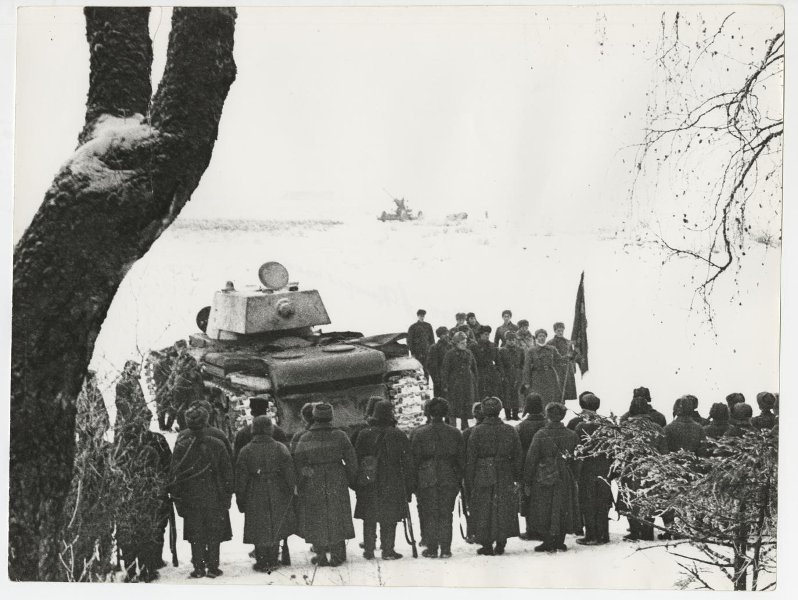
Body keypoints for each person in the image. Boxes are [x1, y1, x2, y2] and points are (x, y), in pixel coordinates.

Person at [169, 404, 233, 579]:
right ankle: (213, 566)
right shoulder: (218, 440)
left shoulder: (182, 441)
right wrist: (228, 494)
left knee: (195, 531)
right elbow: (228, 470)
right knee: (214, 530)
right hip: (214, 494)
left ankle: (198, 566)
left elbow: (175, 473)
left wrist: (178, 499)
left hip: (191, 496)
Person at [293, 403, 358, 567]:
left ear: (314, 417)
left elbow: (298, 463)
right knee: (337, 513)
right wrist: (352, 479)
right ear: (331, 418)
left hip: (313, 479)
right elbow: (351, 461)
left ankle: (320, 555)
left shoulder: (305, 437)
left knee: (317, 515)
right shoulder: (340, 436)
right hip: (337, 477)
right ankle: (338, 554)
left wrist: (302, 480)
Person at [115, 403, 172, 582]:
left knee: (128, 533)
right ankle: (151, 565)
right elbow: (168, 466)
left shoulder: (120, 445)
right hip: (152, 496)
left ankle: (131, 570)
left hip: (127, 498)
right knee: (153, 530)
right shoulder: (157, 441)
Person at [235, 416, 297, 572]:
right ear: (271, 429)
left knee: (258, 524)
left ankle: (262, 560)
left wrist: (240, 500)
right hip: (278, 489)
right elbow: (290, 474)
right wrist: (292, 492)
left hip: (254, 490)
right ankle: (273, 558)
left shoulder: (245, 450)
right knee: (276, 523)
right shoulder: (281, 448)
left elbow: (241, 479)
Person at [354, 400, 414, 560]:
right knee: (390, 516)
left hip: (369, 479)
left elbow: (357, 458)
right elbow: (408, 461)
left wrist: (357, 483)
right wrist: (409, 486)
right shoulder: (398, 434)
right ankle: (388, 550)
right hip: (392, 480)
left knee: (369, 515)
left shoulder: (364, 434)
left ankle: (368, 549)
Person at [465, 397, 523, 556]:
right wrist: (517, 477)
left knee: (484, 506)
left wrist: (469, 480)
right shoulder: (510, 430)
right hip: (505, 472)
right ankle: (501, 541)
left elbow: (471, 458)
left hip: (482, 472)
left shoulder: (477, 431)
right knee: (503, 505)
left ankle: (486, 543)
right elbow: (518, 455)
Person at [410, 398, 465, 559]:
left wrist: (414, 482)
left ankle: (432, 548)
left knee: (430, 513)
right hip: (449, 477)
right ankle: (446, 548)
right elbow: (461, 460)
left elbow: (414, 460)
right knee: (446, 513)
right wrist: (459, 479)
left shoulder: (420, 433)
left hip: (427, 478)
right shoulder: (455, 433)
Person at [620, 397, 667, 542]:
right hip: (652, 468)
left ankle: (634, 531)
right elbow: (664, 451)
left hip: (631, 468)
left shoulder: (626, 428)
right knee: (649, 499)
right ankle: (647, 531)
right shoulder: (657, 428)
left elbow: (620, 449)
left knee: (630, 499)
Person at [660, 396, 707, 539]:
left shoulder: (667, 429)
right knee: (693, 500)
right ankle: (691, 528)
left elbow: (663, 452)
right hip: (694, 470)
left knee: (671, 500)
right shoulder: (699, 429)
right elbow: (703, 453)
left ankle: (672, 529)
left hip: (673, 469)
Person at [574, 394, 612, 546]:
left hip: (587, 468)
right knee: (603, 502)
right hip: (604, 467)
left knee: (588, 502)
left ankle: (591, 535)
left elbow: (575, 448)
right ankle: (603, 534)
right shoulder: (607, 423)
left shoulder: (578, 424)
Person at [233, 396, 288, 463]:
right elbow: (287, 458)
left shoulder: (242, 433)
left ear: (251, 412)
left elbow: (237, 460)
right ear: (266, 411)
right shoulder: (278, 431)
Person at [441, 332, 478, 430]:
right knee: (454, 405)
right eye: (462, 343)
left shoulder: (469, 353)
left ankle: (464, 425)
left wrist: (475, 381)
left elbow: (474, 368)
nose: (465, 345)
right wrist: (445, 384)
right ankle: (452, 426)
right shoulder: (450, 354)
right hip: (454, 384)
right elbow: (445, 370)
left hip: (467, 382)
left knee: (466, 404)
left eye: (465, 342)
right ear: (456, 343)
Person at [167, 340, 206, 430]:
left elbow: (186, 371)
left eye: (180, 349)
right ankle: (183, 428)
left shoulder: (191, 359)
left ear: (185, 348)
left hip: (189, 389)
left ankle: (192, 428)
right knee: (179, 411)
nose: (179, 351)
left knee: (191, 409)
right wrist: (170, 385)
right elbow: (173, 373)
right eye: (178, 350)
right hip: (178, 390)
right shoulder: (178, 359)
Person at [523, 329, 566, 406]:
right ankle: (540, 415)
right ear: (536, 338)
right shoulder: (531, 350)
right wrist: (527, 382)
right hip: (537, 377)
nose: (542, 338)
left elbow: (560, 360)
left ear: (546, 337)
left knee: (551, 396)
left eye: (543, 336)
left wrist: (569, 357)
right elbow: (527, 367)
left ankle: (549, 414)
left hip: (550, 376)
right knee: (539, 396)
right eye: (540, 336)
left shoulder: (552, 349)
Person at [115, 360, 149, 438]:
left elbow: (141, 397)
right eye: (135, 368)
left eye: (137, 368)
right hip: (128, 420)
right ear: (130, 370)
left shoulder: (135, 381)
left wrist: (146, 411)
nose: (138, 370)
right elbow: (121, 403)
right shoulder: (122, 383)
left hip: (138, 417)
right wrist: (130, 418)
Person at [546, 322, 579, 401]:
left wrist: (573, 366)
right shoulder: (550, 343)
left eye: (562, 330)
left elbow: (572, 356)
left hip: (567, 370)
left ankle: (562, 407)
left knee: (566, 391)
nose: (560, 332)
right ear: (555, 331)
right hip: (557, 370)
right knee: (557, 391)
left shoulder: (568, 342)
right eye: (558, 331)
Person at [76, 370, 110, 442]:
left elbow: (103, 412)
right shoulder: (81, 395)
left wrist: (101, 426)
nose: (96, 381)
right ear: (89, 381)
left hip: (98, 432)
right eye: (94, 379)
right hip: (85, 434)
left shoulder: (97, 392)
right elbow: (79, 417)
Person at [497, 332, 525, 421]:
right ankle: (508, 415)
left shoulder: (520, 350)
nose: (512, 342)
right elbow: (500, 364)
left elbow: (522, 363)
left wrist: (520, 374)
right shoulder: (502, 350)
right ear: (506, 340)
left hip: (517, 374)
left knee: (516, 394)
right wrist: (503, 375)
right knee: (507, 394)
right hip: (507, 373)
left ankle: (516, 414)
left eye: (513, 340)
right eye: (509, 340)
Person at [473, 326, 502, 402]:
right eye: (485, 334)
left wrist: (500, 373)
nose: (487, 336)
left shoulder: (493, 346)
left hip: (491, 373)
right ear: (480, 335)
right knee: (481, 394)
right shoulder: (474, 346)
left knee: (493, 394)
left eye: (488, 334)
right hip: (480, 372)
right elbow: (473, 363)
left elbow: (498, 361)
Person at [426, 326, 452, 398]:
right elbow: (431, 365)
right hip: (440, 379)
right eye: (444, 334)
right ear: (439, 336)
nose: (446, 335)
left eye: (447, 333)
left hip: (451, 378)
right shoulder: (434, 348)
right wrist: (436, 379)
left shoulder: (451, 346)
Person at [407, 309, 435, 377]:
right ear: (418, 316)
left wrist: (432, 350)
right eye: (420, 316)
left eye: (423, 316)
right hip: (417, 351)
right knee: (418, 368)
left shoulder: (428, 326)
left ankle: (427, 382)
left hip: (427, 351)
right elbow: (409, 340)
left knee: (427, 368)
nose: (422, 317)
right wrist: (412, 352)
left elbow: (432, 339)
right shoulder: (413, 327)